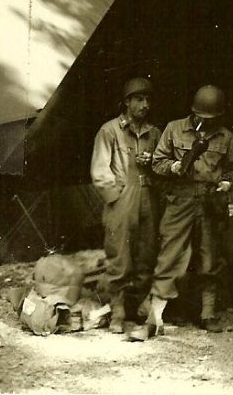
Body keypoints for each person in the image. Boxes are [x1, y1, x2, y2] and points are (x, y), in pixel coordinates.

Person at [129, 85, 233, 340]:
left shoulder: (226, 136)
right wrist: (174, 167)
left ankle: (207, 313)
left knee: (209, 257)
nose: (206, 122)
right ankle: (155, 316)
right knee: (169, 255)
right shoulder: (174, 129)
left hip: (210, 200)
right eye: (202, 117)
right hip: (180, 198)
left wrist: (227, 182)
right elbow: (157, 162)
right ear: (193, 112)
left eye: (212, 118)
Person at [90, 77, 161, 333]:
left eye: (148, 100)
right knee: (119, 255)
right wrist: (117, 198)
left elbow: (164, 166)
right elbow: (100, 170)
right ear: (127, 102)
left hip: (148, 196)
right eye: (139, 99)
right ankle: (118, 311)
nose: (145, 105)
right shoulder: (110, 131)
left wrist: (152, 163)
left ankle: (137, 307)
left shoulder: (155, 133)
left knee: (146, 255)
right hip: (122, 196)